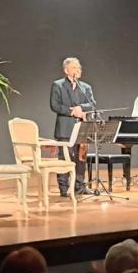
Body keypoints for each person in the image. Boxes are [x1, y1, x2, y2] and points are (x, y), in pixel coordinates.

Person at [50, 57, 95, 196]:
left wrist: (80, 108)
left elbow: (92, 104)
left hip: (81, 127)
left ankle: (80, 186)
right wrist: (72, 112)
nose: (78, 70)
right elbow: (55, 105)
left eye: (79, 67)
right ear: (66, 70)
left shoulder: (85, 87)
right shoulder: (58, 85)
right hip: (65, 128)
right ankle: (64, 188)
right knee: (65, 158)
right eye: (74, 67)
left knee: (81, 158)